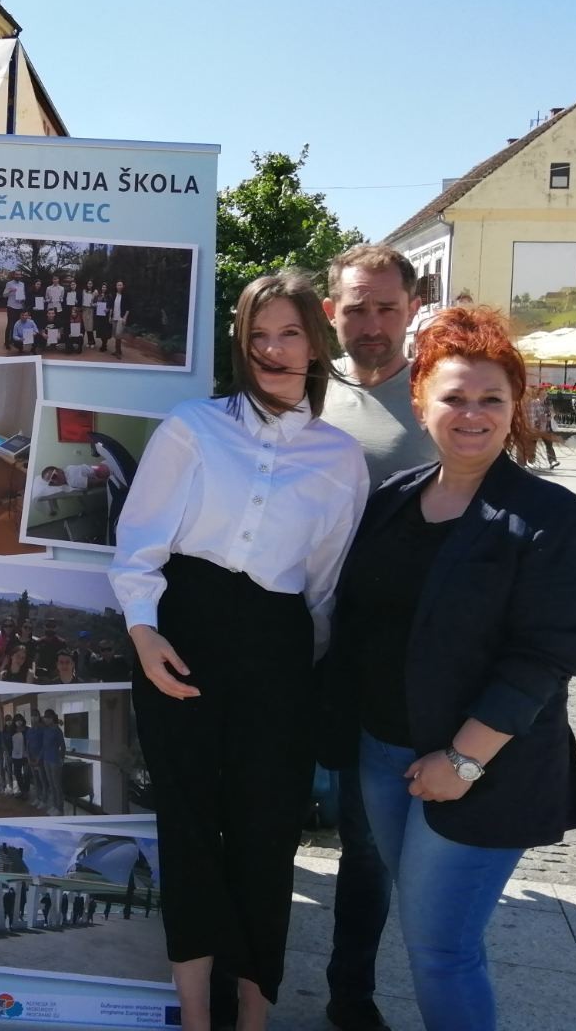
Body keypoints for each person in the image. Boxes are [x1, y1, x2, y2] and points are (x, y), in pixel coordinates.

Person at [321, 305, 576, 1031]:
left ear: (515, 407)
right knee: (426, 931)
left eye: (491, 398)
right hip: (383, 754)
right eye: (454, 396)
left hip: (484, 769)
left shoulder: (553, 518)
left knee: (442, 950)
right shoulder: (393, 499)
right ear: (420, 403)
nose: (473, 414)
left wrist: (462, 760)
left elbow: (544, 658)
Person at [109, 271, 368, 1031]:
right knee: (188, 828)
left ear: (316, 342)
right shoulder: (193, 427)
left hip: (277, 651)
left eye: (289, 333)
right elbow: (139, 544)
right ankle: (196, 1016)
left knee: (267, 833)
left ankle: (253, 1015)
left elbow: (324, 587)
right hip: (180, 638)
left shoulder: (340, 458)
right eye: (258, 335)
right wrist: (144, 634)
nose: (273, 350)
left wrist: (300, 675)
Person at [317, 243, 435, 1031]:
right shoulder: (301, 389)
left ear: (412, 308)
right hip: (291, 645)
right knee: (263, 817)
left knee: (366, 844)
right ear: (332, 311)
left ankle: (348, 994)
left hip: (384, 662)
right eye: (356, 307)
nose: (372, 323)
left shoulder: (438, 396)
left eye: (387, 307)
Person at [38, 709, 67, 815]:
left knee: (57, 785)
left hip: (55, 761)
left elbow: (63, 746)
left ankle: (60, 808)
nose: (45, 719)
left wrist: (61, 759)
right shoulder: (46, 730)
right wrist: (39, 758)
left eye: (48, 718)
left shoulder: (57, 730)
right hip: (46, 760)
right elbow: (44, 746)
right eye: (45, 718)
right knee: (51, 784)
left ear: (52, 718)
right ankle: (54, 805)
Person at [526, 389, 560, 469]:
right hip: (536, 428)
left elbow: (551, 414)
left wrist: (550, 415)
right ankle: (530, 461)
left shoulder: (547, 403)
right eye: (543, 394)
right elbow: (532, 415)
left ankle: (552, 461)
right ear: (538, 394)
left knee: (549, 444)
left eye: (546, 394)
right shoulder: (534, 403)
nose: (545, 395)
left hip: (546, 428)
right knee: (532, 445)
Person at [2, 271, 27, 351]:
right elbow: (4, 295)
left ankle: (15, 341)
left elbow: (23, 295)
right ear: (14, 275)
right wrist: (10, 290)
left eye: (19, 275)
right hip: (11, 307)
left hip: (19, 307)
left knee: (18, 325)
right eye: (17, 274)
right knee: (10, 325)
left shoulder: (22, 284)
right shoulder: (9, 284)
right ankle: (7, 342)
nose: (18, 276)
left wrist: (23, 299)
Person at [109, 280, 131, 359]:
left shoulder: (125, 296)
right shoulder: (114, 295)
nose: (119, 286)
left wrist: (125, 317)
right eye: (118, 285)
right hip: (114, 317)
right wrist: (110, 316)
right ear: (116, 286)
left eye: (120, 285)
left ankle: (118, 352)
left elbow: (128, 308)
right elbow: (111, 307)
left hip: (121, 318)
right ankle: (118, 350)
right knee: (116, 335)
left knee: (118, 334)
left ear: (123, 286)